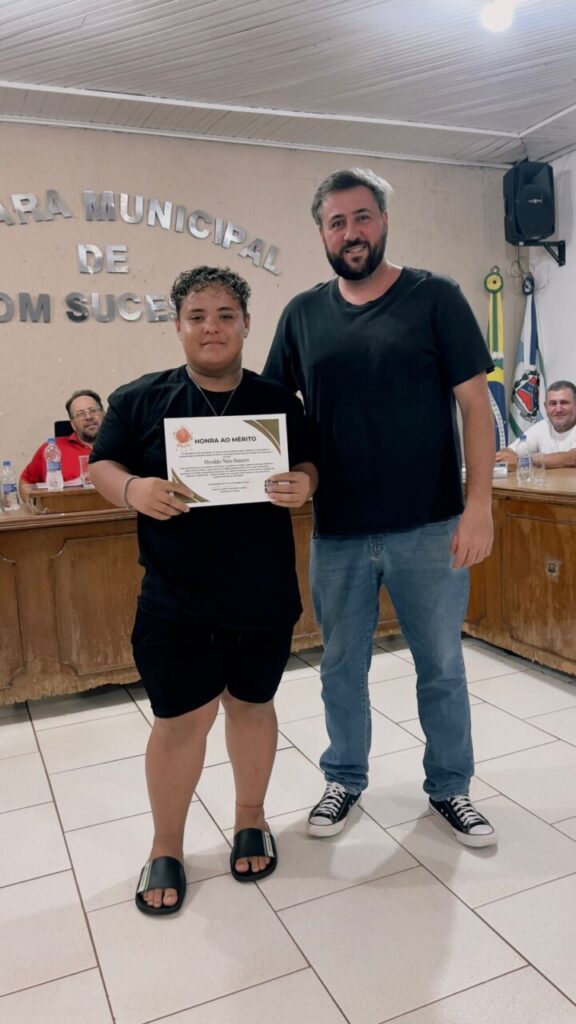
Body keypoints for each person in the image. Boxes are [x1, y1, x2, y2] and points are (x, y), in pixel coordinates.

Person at [263, 167, 498, 848]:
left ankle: (451, 788)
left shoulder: (436, 298)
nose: (351, 232)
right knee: (340, 667)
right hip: (337, 529)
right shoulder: (302, 315)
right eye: (337, 222)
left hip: (429, 524)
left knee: (442, 667)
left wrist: (477, 503)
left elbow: (476, 406)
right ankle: (345, 777)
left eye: (362, 217)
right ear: (321, 233)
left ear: (383, 220)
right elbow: (278, 415)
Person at [89, 265, 317, 915]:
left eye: (224, 315)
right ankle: (166, 845)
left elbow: (307, 464)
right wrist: (133, 490)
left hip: (261, 593)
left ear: (246, 324)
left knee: (252, 706)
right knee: (179, 722)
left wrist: (305, 483)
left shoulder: (279, 400)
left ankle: (251, 817)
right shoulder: (138, 399)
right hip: (174, 598)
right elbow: (102, 463)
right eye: (197, 317)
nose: (211, 327)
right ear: (178, 326)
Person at [19, 389, 104, 491]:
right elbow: (25, 482)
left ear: (103, 414)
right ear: (72, 424)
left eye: (93, 410)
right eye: (80, 414)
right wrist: (32, 507)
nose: (88, 417)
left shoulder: (124, 444)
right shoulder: (52, 449)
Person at [495, 380, 576, 467]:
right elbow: (507, 453)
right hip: (550, 480)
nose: (558, 409)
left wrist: (523, 461)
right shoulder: (541, 427)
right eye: (553, 404)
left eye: (564, 403)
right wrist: (507, 456)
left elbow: (572, 458)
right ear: (545, 407)